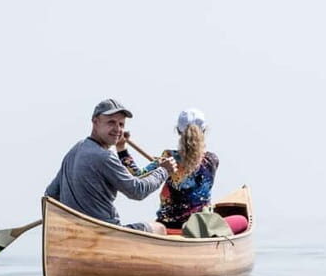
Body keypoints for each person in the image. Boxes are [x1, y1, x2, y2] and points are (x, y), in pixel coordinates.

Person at [44, 98, 177, 234]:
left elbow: (50, 194)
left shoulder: (75, 150)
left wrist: (65, 223)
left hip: (76, 234)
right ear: (95, 122)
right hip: (106, 232)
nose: (118, 129)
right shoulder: (105, 156)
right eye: (111, 122)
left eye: (121, 124)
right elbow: (137, 190)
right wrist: (164, 171)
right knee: (159, 228)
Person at [118, 108, 219, 230]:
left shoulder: (169, 158)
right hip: (200, 226)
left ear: (178, 131)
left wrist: (121, 148)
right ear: (204, 130)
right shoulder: (213, 160)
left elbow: (137, 175)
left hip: (168, 225)